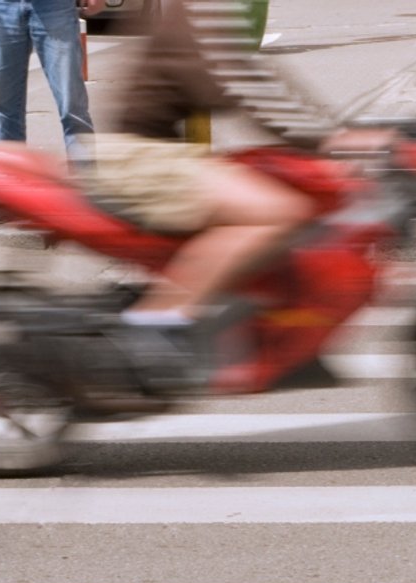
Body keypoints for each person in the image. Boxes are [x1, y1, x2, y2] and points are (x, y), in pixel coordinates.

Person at [85, 0, 369, 387]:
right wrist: (329, 139)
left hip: (156, 152)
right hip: (141, 157)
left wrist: (329, 131)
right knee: (277, 212)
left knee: (273, 189)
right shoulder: (203, 8)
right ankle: (158, 321)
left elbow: (259, 76)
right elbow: (241, 86)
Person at [0, 0, 103, 164]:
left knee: (72, 107)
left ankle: (85, 184)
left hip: (54, 5)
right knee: (5, 108)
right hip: (2, 6)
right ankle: (13, 181)